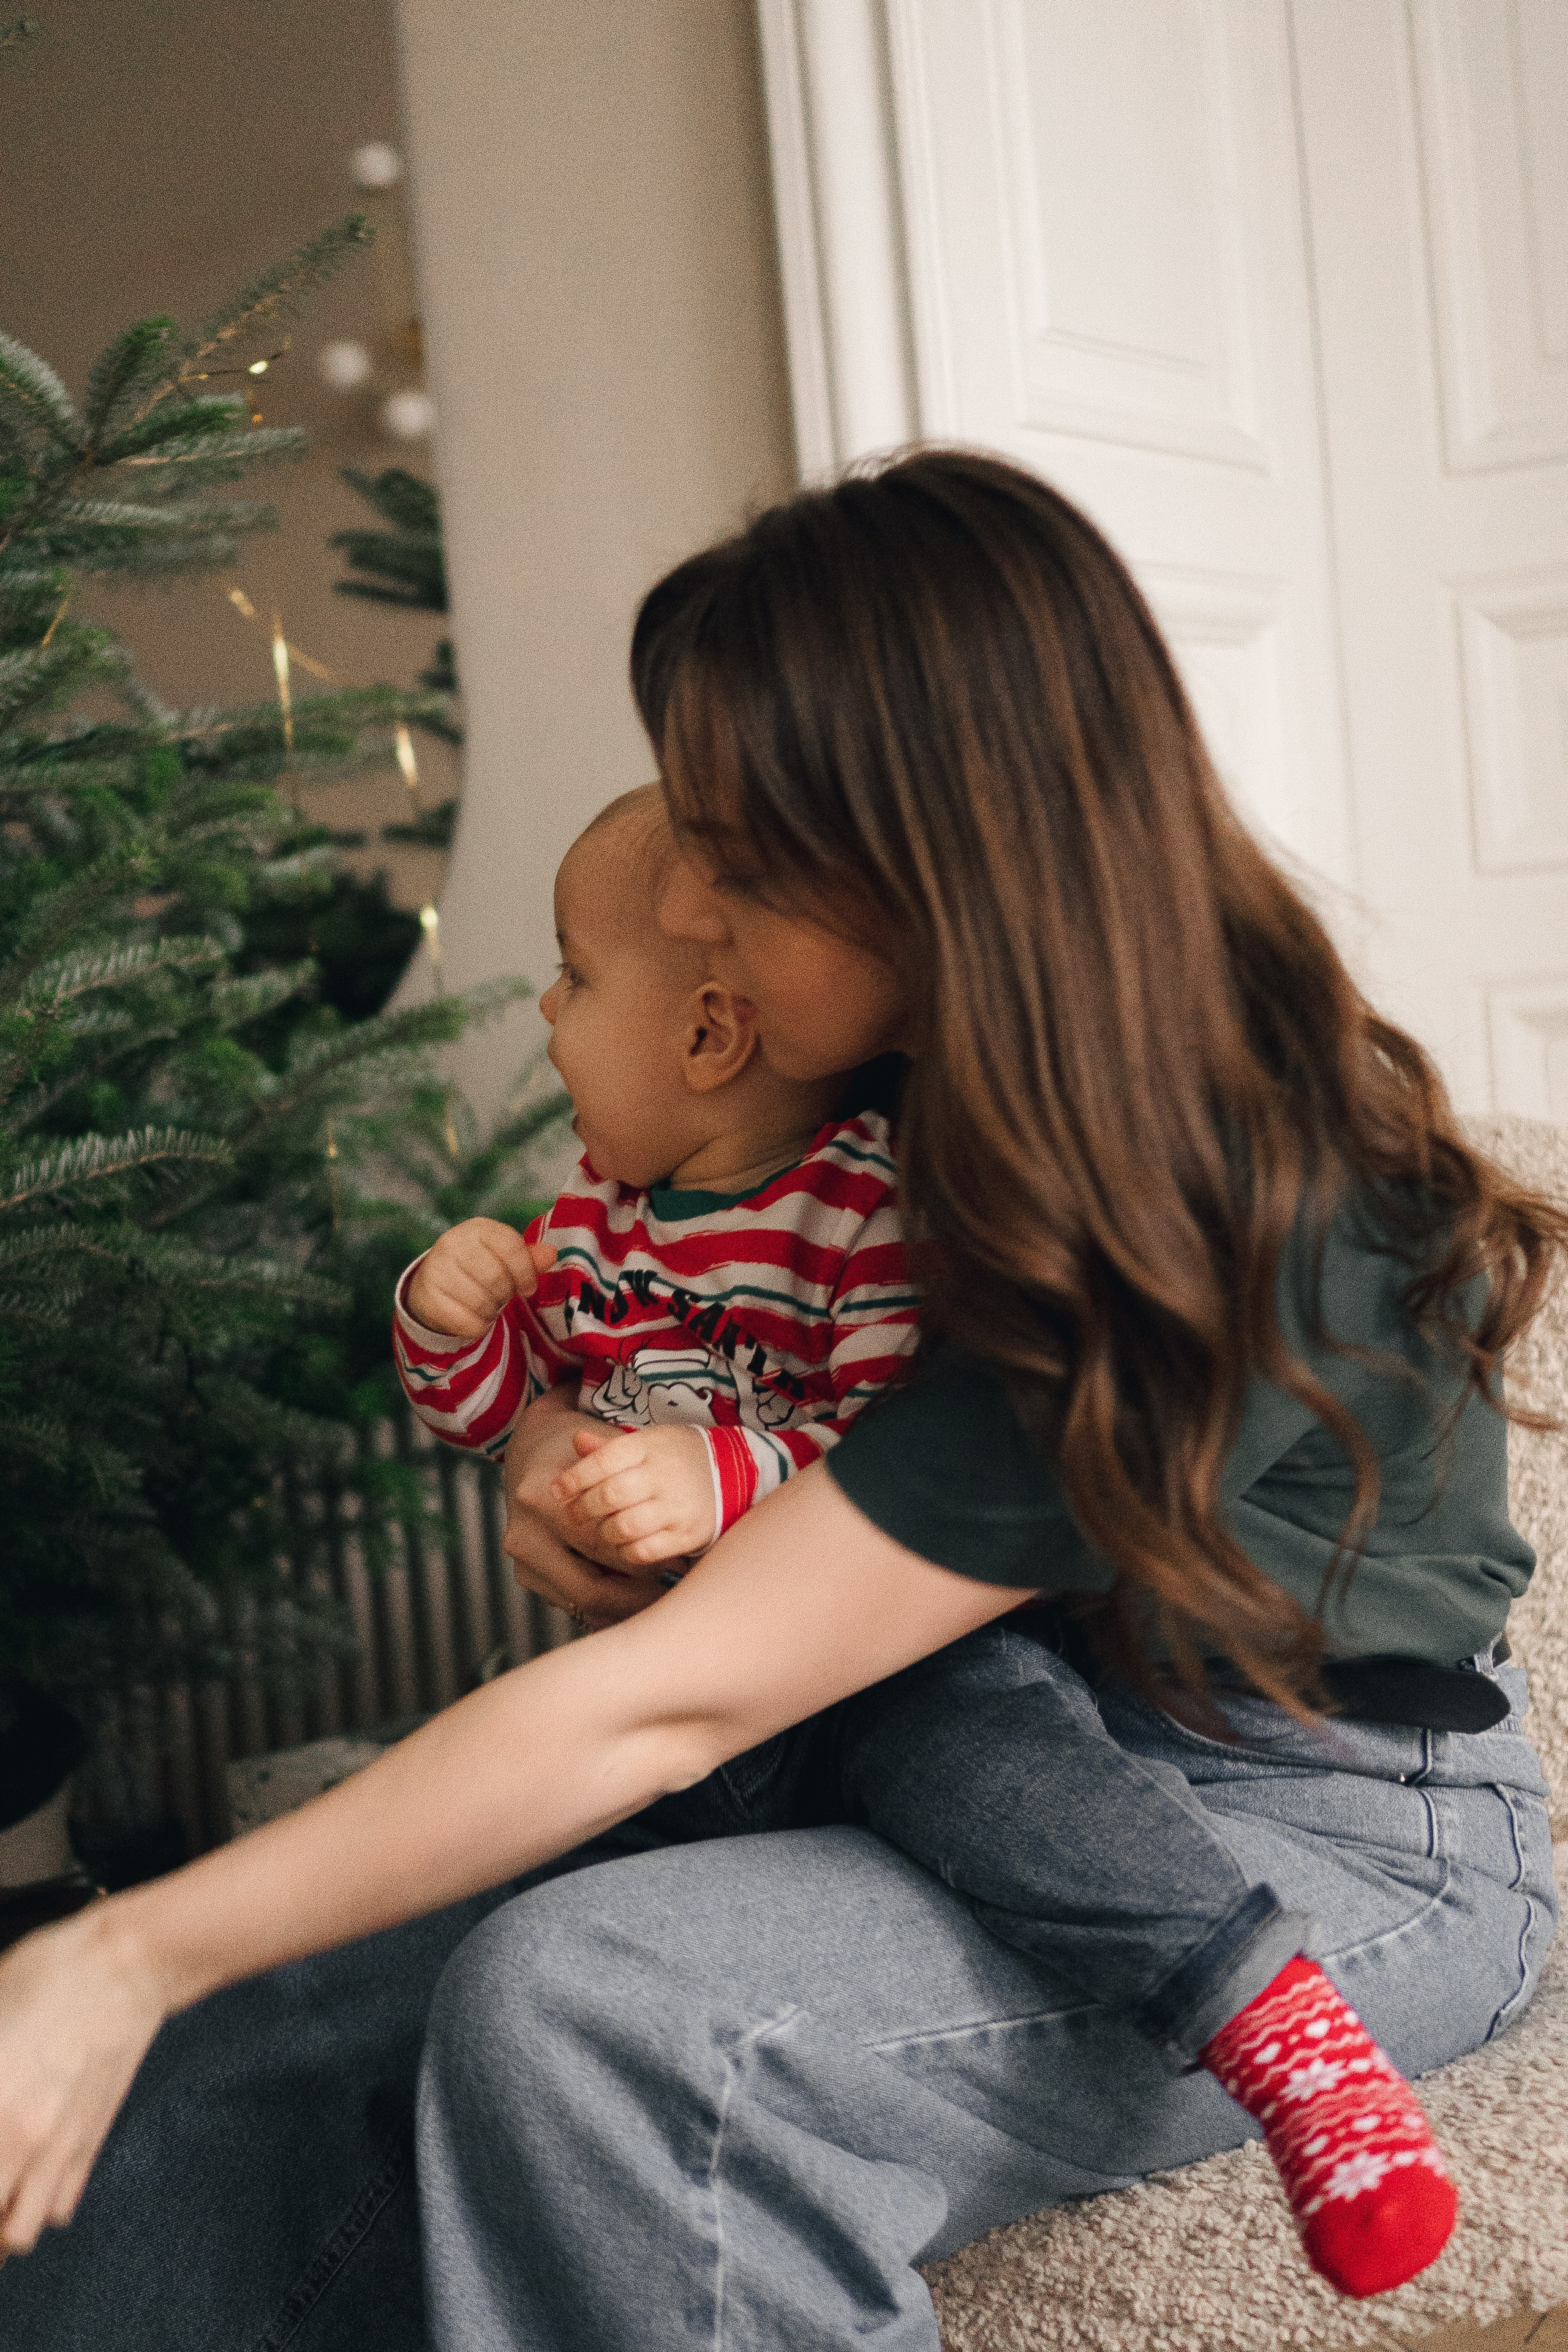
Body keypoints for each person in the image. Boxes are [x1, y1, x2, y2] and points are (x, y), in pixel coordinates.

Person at [0, 450, 1561, 2352]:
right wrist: (545, 1442)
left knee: (597, 2008)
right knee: (252, 2035)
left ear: (930, 857)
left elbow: (686, 1692)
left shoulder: (1225, 1200)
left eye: (734, 857)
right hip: (931, 1749)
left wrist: (120, 1942)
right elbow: (654, 1385)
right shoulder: (887, 1108)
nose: (688, 906)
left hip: (1328, 1837)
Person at [393, 783, 919, 1562]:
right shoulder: (589, 1220)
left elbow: (902, 1473)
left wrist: (718, 1477)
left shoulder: (864, 1216)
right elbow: (493, 1423)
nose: (547, 1003)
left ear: (708, 1035)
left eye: (576, 974)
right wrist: (444, 1320)